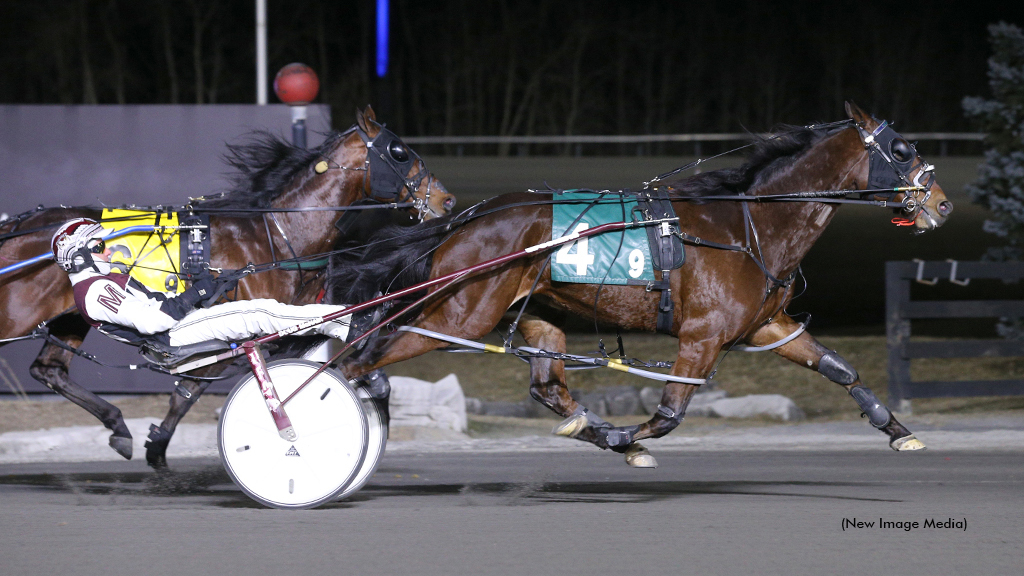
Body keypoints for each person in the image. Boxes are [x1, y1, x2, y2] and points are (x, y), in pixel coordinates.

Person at [51, 218, 351, 348]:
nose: (106, 250)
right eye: (99, 245)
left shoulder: (99, 284)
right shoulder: (95, 292)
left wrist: (208, 290)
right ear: (81, 256)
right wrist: (197, 292)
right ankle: (343, 320)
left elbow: (156, 307)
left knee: (258, 310)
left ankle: (337, 322)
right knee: (260, 313)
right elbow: (154, 320)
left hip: (178, 328)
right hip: (173, 336)